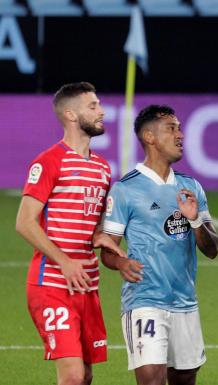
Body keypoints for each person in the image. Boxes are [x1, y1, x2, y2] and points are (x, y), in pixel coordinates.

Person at [100, 105, 218, 385]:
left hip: (185, 302)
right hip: (144, 300)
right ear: (149, 136)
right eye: (172, 128)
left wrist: (194, 222)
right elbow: (107, 249)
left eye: (179, 128)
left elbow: (212, 249)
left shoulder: (191, 187)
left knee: (185, 379)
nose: (181, 134)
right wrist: (121, 262)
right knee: (151, 380)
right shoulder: (126, 189)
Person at [16, 81, 125, 385]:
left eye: (100, 104)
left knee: (86, 375)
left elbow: (93, 221)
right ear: (71, 115)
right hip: (52, 283)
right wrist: (63, 260)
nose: (102, 111)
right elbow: (24, 222)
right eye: (93, 106)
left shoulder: (103, 168)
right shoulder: (49, 161)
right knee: (73, 376)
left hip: (87, 285)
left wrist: (102, 235)